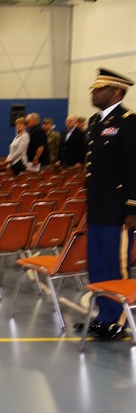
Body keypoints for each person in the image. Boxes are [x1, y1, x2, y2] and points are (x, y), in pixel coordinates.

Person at [74, 68, 136, 340]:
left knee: (116, 265)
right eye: (93, 88)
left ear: (116, 92)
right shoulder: (95, 122)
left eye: (99, 88)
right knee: (97, 264)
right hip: (98, 205)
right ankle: (103, 316)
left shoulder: (128, 121)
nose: (93, 92)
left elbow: (135, 166)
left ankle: (120, 320)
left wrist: (133, 207)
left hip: (119, 209)